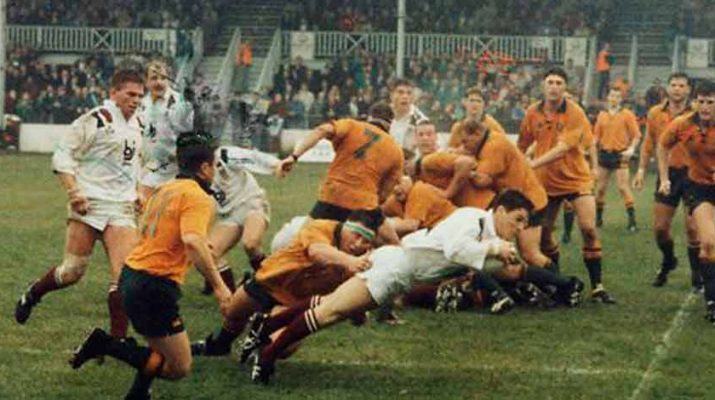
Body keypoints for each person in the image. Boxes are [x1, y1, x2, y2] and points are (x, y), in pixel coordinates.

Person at [245, 190, 582, 384]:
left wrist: (503, 258)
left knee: (331, 304)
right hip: (396, 269)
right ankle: (268, 357)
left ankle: (267, 326)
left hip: (399, 269)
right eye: (518, 219)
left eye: (524, 223)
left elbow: (479, 264)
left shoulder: (486, 232)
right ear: (500, 210)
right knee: (331, 312)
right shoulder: (471, 218)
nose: (519, 228)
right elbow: (456, 251)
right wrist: (495, 249)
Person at [69, 131, 231, 400]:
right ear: (204, 168)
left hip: (132, 276)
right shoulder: (197, 197)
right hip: (154, 285)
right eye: (214, 166)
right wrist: (220, 287)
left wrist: (203, 247)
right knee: (179, 366)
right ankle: (104, 344)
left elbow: (165, 233)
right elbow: (192, 241)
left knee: (160, 349)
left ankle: (137, 394)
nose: (215, 172)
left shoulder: (165, 189)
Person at [15, 70, 145, 339]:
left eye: (139, 96)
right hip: (89, 203)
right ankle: (34, 293)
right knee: (72, 272)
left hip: (121, 207)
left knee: (125, 276)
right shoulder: (96, 119)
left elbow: (137, 161)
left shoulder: (139, 124)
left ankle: (116, 340)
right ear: (113, 93)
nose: (135, 100)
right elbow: (63, 155)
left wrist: (139, 190)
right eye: (130, 94)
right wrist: (74, 191)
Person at [191, 210, 381, 358]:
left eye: (365, 241)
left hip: (294, 302)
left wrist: (357, 311)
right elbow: (317, 252)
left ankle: (260, 343)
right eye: (356, 235)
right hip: (270, 281)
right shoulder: (322, 227)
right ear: (345, 226)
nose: (358, 244)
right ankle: (219, 347)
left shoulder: (363, 261)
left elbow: (353, 295)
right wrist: (349, 261)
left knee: (283, 347)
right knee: (232, 313)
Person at [518, 67, 615, 304]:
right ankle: (559, 283)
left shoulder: (575, 112)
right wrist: (519, 169)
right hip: (545, 182)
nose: (554, 87)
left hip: (576, 179)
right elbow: (522, 145)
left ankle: (597, 287)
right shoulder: (532, 112)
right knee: (544, 236)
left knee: (588, 228)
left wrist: (533, 164)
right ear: (543, 86)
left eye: (559, 83)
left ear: (565, 88)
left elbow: (563, 149)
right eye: (550, 82)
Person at [275, 102, 403, 243]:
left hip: (334, 195)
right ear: (390, 124)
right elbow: (385, 193)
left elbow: (322, 130)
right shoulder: (396, 150)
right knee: (392, 243)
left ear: (369, 117)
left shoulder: (352, 125)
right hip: (365, 204)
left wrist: (294, 156)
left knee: (300, 242)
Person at [633, 73, 701, 289]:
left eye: (681, 85)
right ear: (667, 88)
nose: (677, 89)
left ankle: (697, 275)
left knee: (693, 229)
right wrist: (641, 170)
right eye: (673, 85)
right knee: (660, 229)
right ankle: (669, 259)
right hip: (667, 174)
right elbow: (649, 142)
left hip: (693, 174)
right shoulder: (656, 113)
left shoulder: (697, 113)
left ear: (688, 90)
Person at [657, 80, 715, 322]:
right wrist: (663, 178)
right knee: (708, 242)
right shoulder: (683, 124)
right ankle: (712, 301)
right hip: (700, 188)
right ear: (695, 102)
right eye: (701, 102)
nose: (705, 107)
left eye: (710, 102)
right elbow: (662, 146)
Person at [201, 145, 281, 294]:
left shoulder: (224, 154)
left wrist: (275, 165)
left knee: (250, 243)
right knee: (208, 253)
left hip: (252, 204)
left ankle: (271, 283)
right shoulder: (193, 170)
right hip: (229, 215)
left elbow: (251, 156)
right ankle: (232, 295)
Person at [138, 60, 194, 202]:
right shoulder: (141, 104)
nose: (159, 83)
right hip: (150, 169)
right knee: (143, 205)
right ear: (146, 81)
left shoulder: (180, 103)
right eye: (154, 78)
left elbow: (190, 135)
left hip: (175, 170)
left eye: (163, 78)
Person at [594, 87, 641, 231]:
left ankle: (632, 221)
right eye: (612, 95)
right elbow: (596, 136)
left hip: (620, 155)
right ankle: (598, 219)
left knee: (622, 187)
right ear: (608, 97)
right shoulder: (602, 115)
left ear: (621, 99)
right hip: (604, 154)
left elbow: (637, 135)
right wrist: (589, 148)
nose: (614, 99)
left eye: (617, 96)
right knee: (600, 189)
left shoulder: (627, 114)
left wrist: (631, 149)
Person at [388, 79, 428, 156]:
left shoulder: (421, 121)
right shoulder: (382, 114)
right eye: (400, 92)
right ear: (391, 95)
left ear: (413, 97)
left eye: (409, 93)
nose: (405, 96)